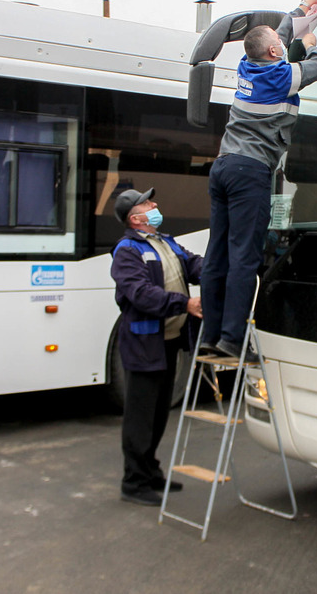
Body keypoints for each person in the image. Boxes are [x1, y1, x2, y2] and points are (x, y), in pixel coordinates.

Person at [199, 0, 317, 357]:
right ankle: (232, 340)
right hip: (248, 171)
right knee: (245, 256)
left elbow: (282, 31)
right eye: (278, 42)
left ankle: (210, 336)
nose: (281, 40)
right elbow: (316, 66)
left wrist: (306, 5)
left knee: (217, 254)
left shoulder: (248, 65)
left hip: (222, 166)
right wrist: (312, 41)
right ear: (275, 52)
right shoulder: (279, 77)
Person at [110, 187, 203, 506]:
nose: (155, 205)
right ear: (135, 218)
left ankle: (151, 473)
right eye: (148, 203)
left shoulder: (166, 242)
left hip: (168, 343)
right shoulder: (127, 250)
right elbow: (141, 294)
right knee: (141, 415)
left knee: (160, 412)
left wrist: (223, 268)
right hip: (144, 344)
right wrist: (185, 303)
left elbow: (193, 266)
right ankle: (133, 482)